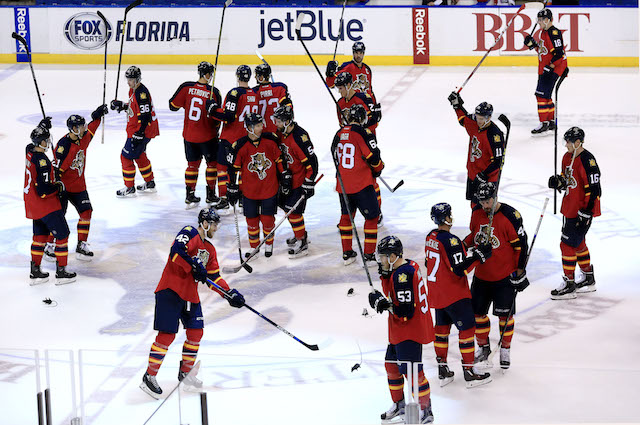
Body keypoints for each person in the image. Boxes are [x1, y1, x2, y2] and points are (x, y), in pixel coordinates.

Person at [140, 208, 245, 399]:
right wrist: (193, 266)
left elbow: (213, 277)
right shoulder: (190, 232)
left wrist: (228, 293)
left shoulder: (210, 250)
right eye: (213, 224)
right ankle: (149, 376)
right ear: (204, 223)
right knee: (167, 336)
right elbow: (176, 253)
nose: (215, 228)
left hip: (190, 295)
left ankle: (186, 375)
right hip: (170, 290)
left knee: (196, 333)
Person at [425, 202, 493, 387]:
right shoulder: (451, 240)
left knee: (441, 332)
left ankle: (443, 370)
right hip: (454, 294)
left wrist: (469, 251)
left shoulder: (430, 237)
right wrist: (479, 257)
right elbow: (460, 269)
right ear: (446, 217)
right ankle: (469, 371)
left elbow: (435, 260)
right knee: (467, 330)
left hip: (437, 294)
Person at [463, 182, 530, 370]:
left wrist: (519, 270)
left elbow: (521, 246)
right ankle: (483, 346)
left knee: (505, 317)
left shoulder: (510, 216)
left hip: (503, 278)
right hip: (481, 276)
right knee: (477, 315)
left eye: (488, 201)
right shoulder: (477, 213)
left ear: (495, 197)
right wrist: (460, 247)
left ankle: (505, 348)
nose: (485, 205)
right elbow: (474, 235)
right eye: (482, 201)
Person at [368, 235, 434, 424]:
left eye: (383, 257)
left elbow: (404, 311)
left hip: (409, 331)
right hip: (399, 330)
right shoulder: (406, 266)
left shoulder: (402, 276)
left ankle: (426, 410)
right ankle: (400, 405)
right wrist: (385, 276)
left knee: (413, 372)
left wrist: (382, 304)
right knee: (392, 366)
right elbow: (394, 292)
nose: (380, 260)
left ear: (393, 256)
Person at [227, 113, 290, 258]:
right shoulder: (240, 145)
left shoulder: (270, 140)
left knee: (268, 220)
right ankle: (254, 247)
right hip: (249, 192)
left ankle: (268, 244)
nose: (261, 128)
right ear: (249, 128)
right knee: (252, 221)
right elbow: (233, 169)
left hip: (269, 189)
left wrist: (285, 174)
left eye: (261, 125)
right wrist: (231, 186)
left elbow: (279, 160)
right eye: (257, 126)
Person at [548, 127, 600, 299]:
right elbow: (567, 181)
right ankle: (588, 277)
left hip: (581, 211)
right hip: (569, 207)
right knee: (578, 243)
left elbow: (594, 189)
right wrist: (559, 182)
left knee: (567, 245)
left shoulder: (588, 161)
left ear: (578, 143)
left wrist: (586, 212)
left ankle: (569, 284)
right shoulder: (566, 157)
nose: (566, 145)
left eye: (569, 142)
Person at [24, 120, 77, 285]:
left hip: (33, 206)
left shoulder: (29, 152)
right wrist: (58, 188)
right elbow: (44, 190)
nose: (48, 142)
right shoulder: (43, 162)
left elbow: (29, 145)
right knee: (63, 235)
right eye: (46, 139)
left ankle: (35, 270)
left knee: (39, 237)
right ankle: (61, 272)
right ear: (40, 142)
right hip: (47, 205)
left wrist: (42, 126)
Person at [331, 104, 383, 267]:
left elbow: (334, 156)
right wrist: (378, 169)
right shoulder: (363, 132)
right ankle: (368, 255)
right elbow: (373, 157)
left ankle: (347, 253)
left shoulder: (339, 133)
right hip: (361, 184)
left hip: (343, 185)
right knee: (372, 217)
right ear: (362, 119)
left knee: (346, 217)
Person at [169, 61, 223, 208]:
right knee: (211, 165)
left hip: (189, 136)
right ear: (207, 74)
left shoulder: (186, 87)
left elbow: (172, 106)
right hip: (208, 136)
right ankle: (211, 195)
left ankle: (189, 195)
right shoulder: (214, 92)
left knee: (192, 165)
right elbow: (218, 118)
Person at [206, 65, 259, 213]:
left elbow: (228, 117)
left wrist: (212, 109)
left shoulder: (234, 93)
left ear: (237, 76)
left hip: (230, 138)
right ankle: (242, 199)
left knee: (223, 168)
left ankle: (224, 199)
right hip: (246, 139)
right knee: (242, 170)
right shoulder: (254, 94)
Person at [335, 71, 383, 226]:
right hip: (350, 144)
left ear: (349, 85)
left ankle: (378, 211)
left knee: (371, 181)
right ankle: (350, 215)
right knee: (352, 179)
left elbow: (374, 122)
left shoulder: (364, 98)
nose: (340, 91)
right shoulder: (340, 104)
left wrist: (360, 132)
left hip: (365, 143)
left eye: (341, 88)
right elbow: (341, 125)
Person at [272, 104, 318, 258]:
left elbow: (312, 163)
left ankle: (302, 242)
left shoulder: (299, 137)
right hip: (288, 180)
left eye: (278, 121)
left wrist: (308, 182)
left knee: (294, 212)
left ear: (287, 121)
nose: (276, 124)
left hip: (299, 181)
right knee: (287, 209)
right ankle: (300, 234)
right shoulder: (282, 133)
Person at [447, 93, 505, 207]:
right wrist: (457, 105)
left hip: (487, 178)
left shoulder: (495, 135)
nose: (478, 120)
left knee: (486, 207)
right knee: (474, 205)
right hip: (473, 173)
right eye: (477, 117)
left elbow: (498, 161)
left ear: (488, 118)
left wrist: (484, 175)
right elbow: (463, 119)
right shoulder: (475, 123)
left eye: (481, 118)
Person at [110, 66, 160, 197]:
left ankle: (129, 187)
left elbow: (145, 115)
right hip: (138, 130)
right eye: (128, 79)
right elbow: (134, 108)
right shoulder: (133, 90)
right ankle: (150, 183)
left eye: (131, 79)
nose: (128, 82)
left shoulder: (141, 93)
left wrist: (139, 133)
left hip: (140, 131)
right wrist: (122, 106)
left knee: (125, 156)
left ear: (137, 79)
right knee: (139, 155)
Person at [524, 8, 568, 135]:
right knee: (546, 95)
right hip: (545, 67)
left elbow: (559, 54)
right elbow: (544, 51)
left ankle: (544, 123)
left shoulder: (553, 33)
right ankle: (550, 121)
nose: (538, 22)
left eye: (540, 20)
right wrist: (533, 45)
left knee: (541, 95)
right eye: (538, 20)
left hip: (552, 68)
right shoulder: (544, 32)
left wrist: (551, 66)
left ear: (547, 20)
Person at [252, 63, 292, 133]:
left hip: (261, 130)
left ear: (262, 77)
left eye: (257, 75)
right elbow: (289, 107)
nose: (255, 77)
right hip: (279, 128)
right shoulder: (280, 87)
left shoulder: (254, 91)